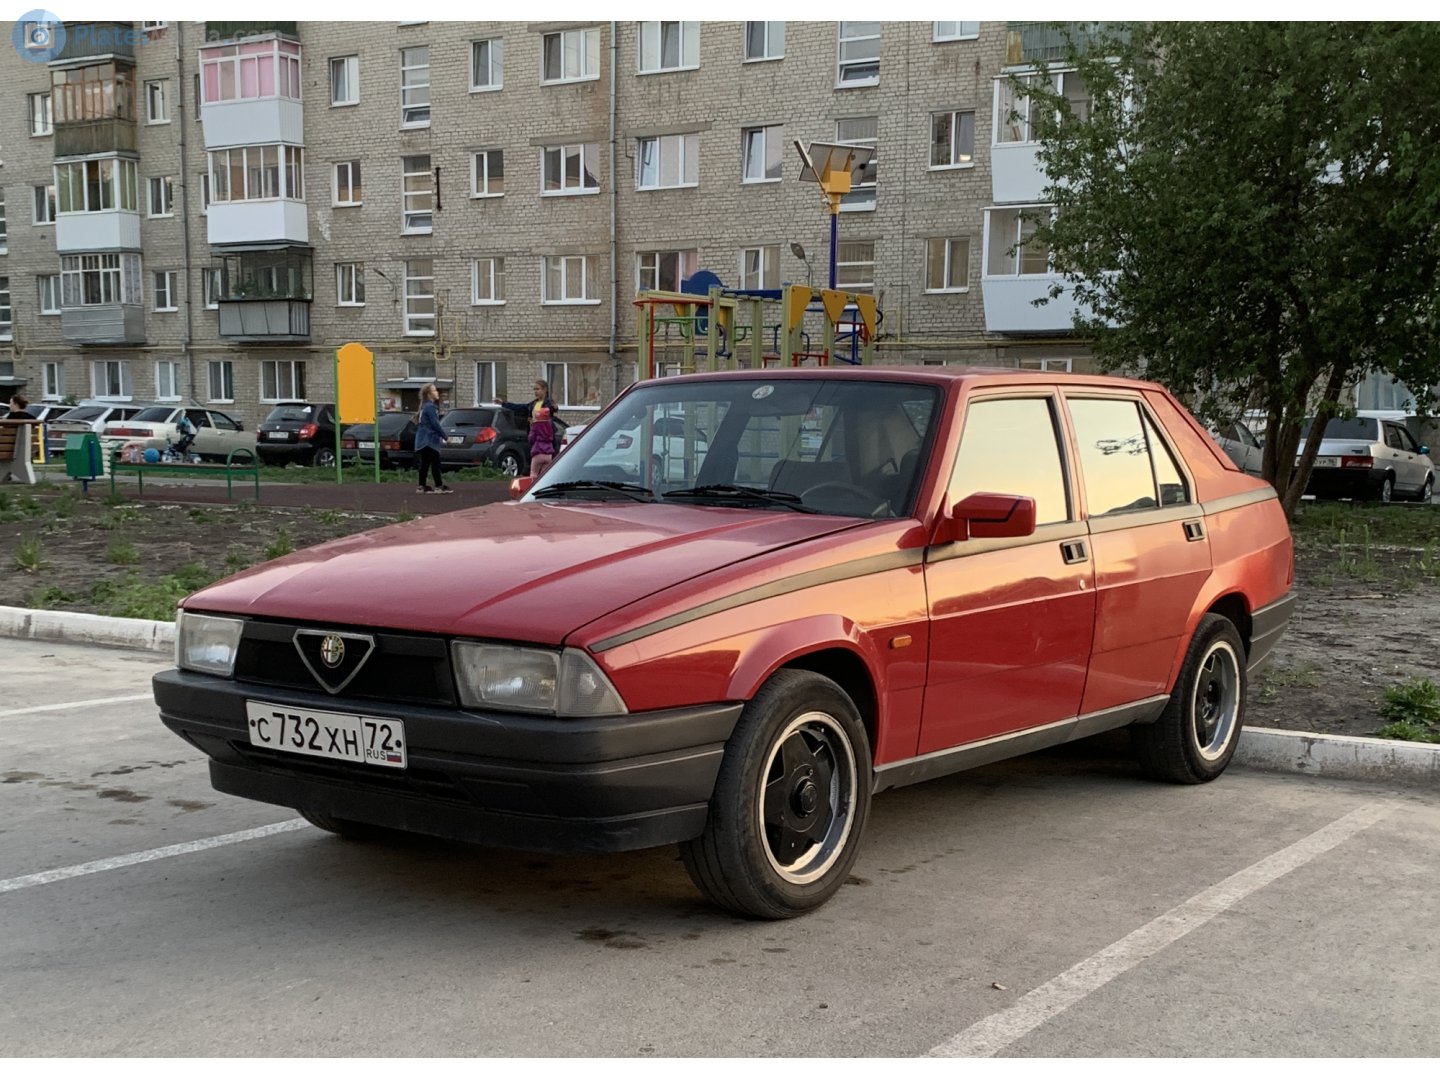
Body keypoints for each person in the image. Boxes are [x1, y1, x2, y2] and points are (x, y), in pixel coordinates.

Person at [414, 383, 452, 494]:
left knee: (425, 463)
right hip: (430, 439)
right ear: (429, 394)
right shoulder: (431, 407)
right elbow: (435, 424)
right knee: (435, 462)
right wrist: (445, 437)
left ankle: (421, 486)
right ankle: (439, 486)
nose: (437, 392)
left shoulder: (424, 406)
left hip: (421, 439)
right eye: (434, 390)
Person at [496, 380, 561, 427]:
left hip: (544, 435)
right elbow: (519, 407)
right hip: (533, 434)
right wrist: (503, 403)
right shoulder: (534, 403)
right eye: (534, 389)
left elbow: (551, 409)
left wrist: (555, 408)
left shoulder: (548, 403)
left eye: (537, 389)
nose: (535, 391)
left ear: (545, 390)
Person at [528, 406, 557, 480]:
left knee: (533, 474)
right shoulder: (550, 425)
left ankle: (533, 486)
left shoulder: (535, 426)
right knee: (543, 476)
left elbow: (531, 439)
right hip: (549, 455)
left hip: (538, 452)